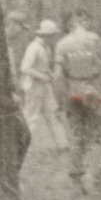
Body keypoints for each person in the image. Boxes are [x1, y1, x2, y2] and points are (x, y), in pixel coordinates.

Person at [54, 9, 101, 197]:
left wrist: (60, 101)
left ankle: (76, 184)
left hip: (72, 94)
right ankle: (97, 180)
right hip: (93, 92)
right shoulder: (95, 40)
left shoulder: (62, 44)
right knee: (97, 137)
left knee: (76, 138)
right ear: (83, 21)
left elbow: (58, 76)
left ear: (70, 24)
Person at [0, 11, 31, 200]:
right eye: (19, 27)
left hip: (4, 97)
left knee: (17, 138)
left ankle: (5, 181)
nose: (20, 32)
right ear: (10, 25)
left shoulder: (7, 47)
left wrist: (16, 90)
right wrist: (7, 94)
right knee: (11, 139)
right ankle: (6, 185)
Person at [21, 19, 68, 151]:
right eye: (51, 35)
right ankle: (23, 145)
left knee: (53, 112)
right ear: (45, 35)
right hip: (33, 86)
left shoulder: (46, 48)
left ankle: (62, 144)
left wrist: (49, 73)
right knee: (31, 116)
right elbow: (25, 68)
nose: (53, 37)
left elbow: (43, 66)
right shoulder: (34, 47)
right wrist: (42, 76)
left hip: (45, 86)